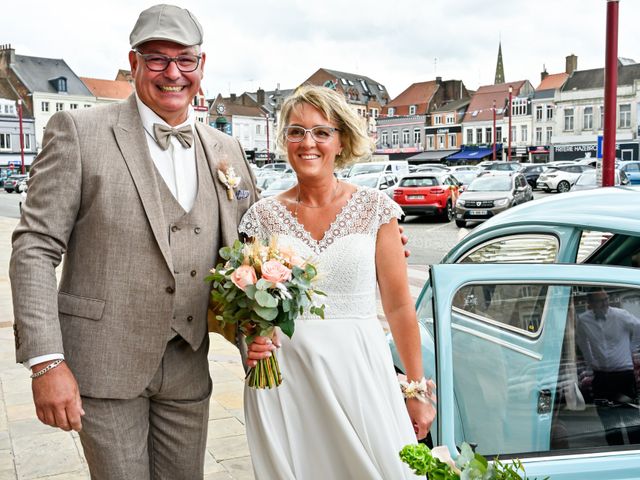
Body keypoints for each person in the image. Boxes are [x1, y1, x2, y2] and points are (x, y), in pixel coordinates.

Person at [9, 5, 258, 479]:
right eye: (157, 59)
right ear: (135, 62)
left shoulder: (225, 150)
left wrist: (362, 241)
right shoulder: (79, 132)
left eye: (185, 59)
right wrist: (46, 363)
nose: (173, 73)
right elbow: (34, 248)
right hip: (104, 364)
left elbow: (255, 247)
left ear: (202, 66)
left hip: (188, 366)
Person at [238, 85, 435, 479]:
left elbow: (398, 308)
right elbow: (247, 305)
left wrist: (416, 392)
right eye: (296, 131)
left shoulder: (375, 209)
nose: (307, 142)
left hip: (360, 372)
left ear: (341, 140)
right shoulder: (261, 217)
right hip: (286, 378)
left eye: (321, 132)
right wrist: (250, 340)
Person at [576, 288, 640, 446]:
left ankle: (634, 452)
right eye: (600, 300)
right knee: (608, 419)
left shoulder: (620, 315)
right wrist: (591, 361)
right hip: (601, 376)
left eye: (606, 299)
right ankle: (616, 453)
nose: (605, 303)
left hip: (623, 374)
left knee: (630, 417)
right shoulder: (584, 319)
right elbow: (582, 342)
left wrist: (632, 349)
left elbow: (639, 328)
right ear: (590, 304)